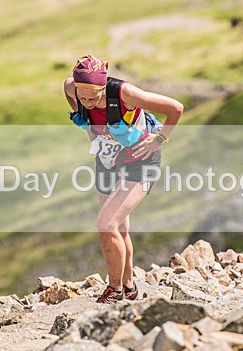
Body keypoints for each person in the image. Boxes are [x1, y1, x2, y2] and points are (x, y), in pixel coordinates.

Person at [64, 55, 184, 304]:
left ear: (102, 86)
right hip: (107, 162)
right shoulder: (71, 88)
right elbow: (78, 105)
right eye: (81, 97)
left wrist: (159, 140)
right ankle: (129, 288)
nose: (86, 101)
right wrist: (91, 130)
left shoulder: (125, 94)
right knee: (119, 228)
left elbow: (175, 109)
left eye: (92, 97)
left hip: (141, 162)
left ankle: (114, 290)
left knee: (105, 225)